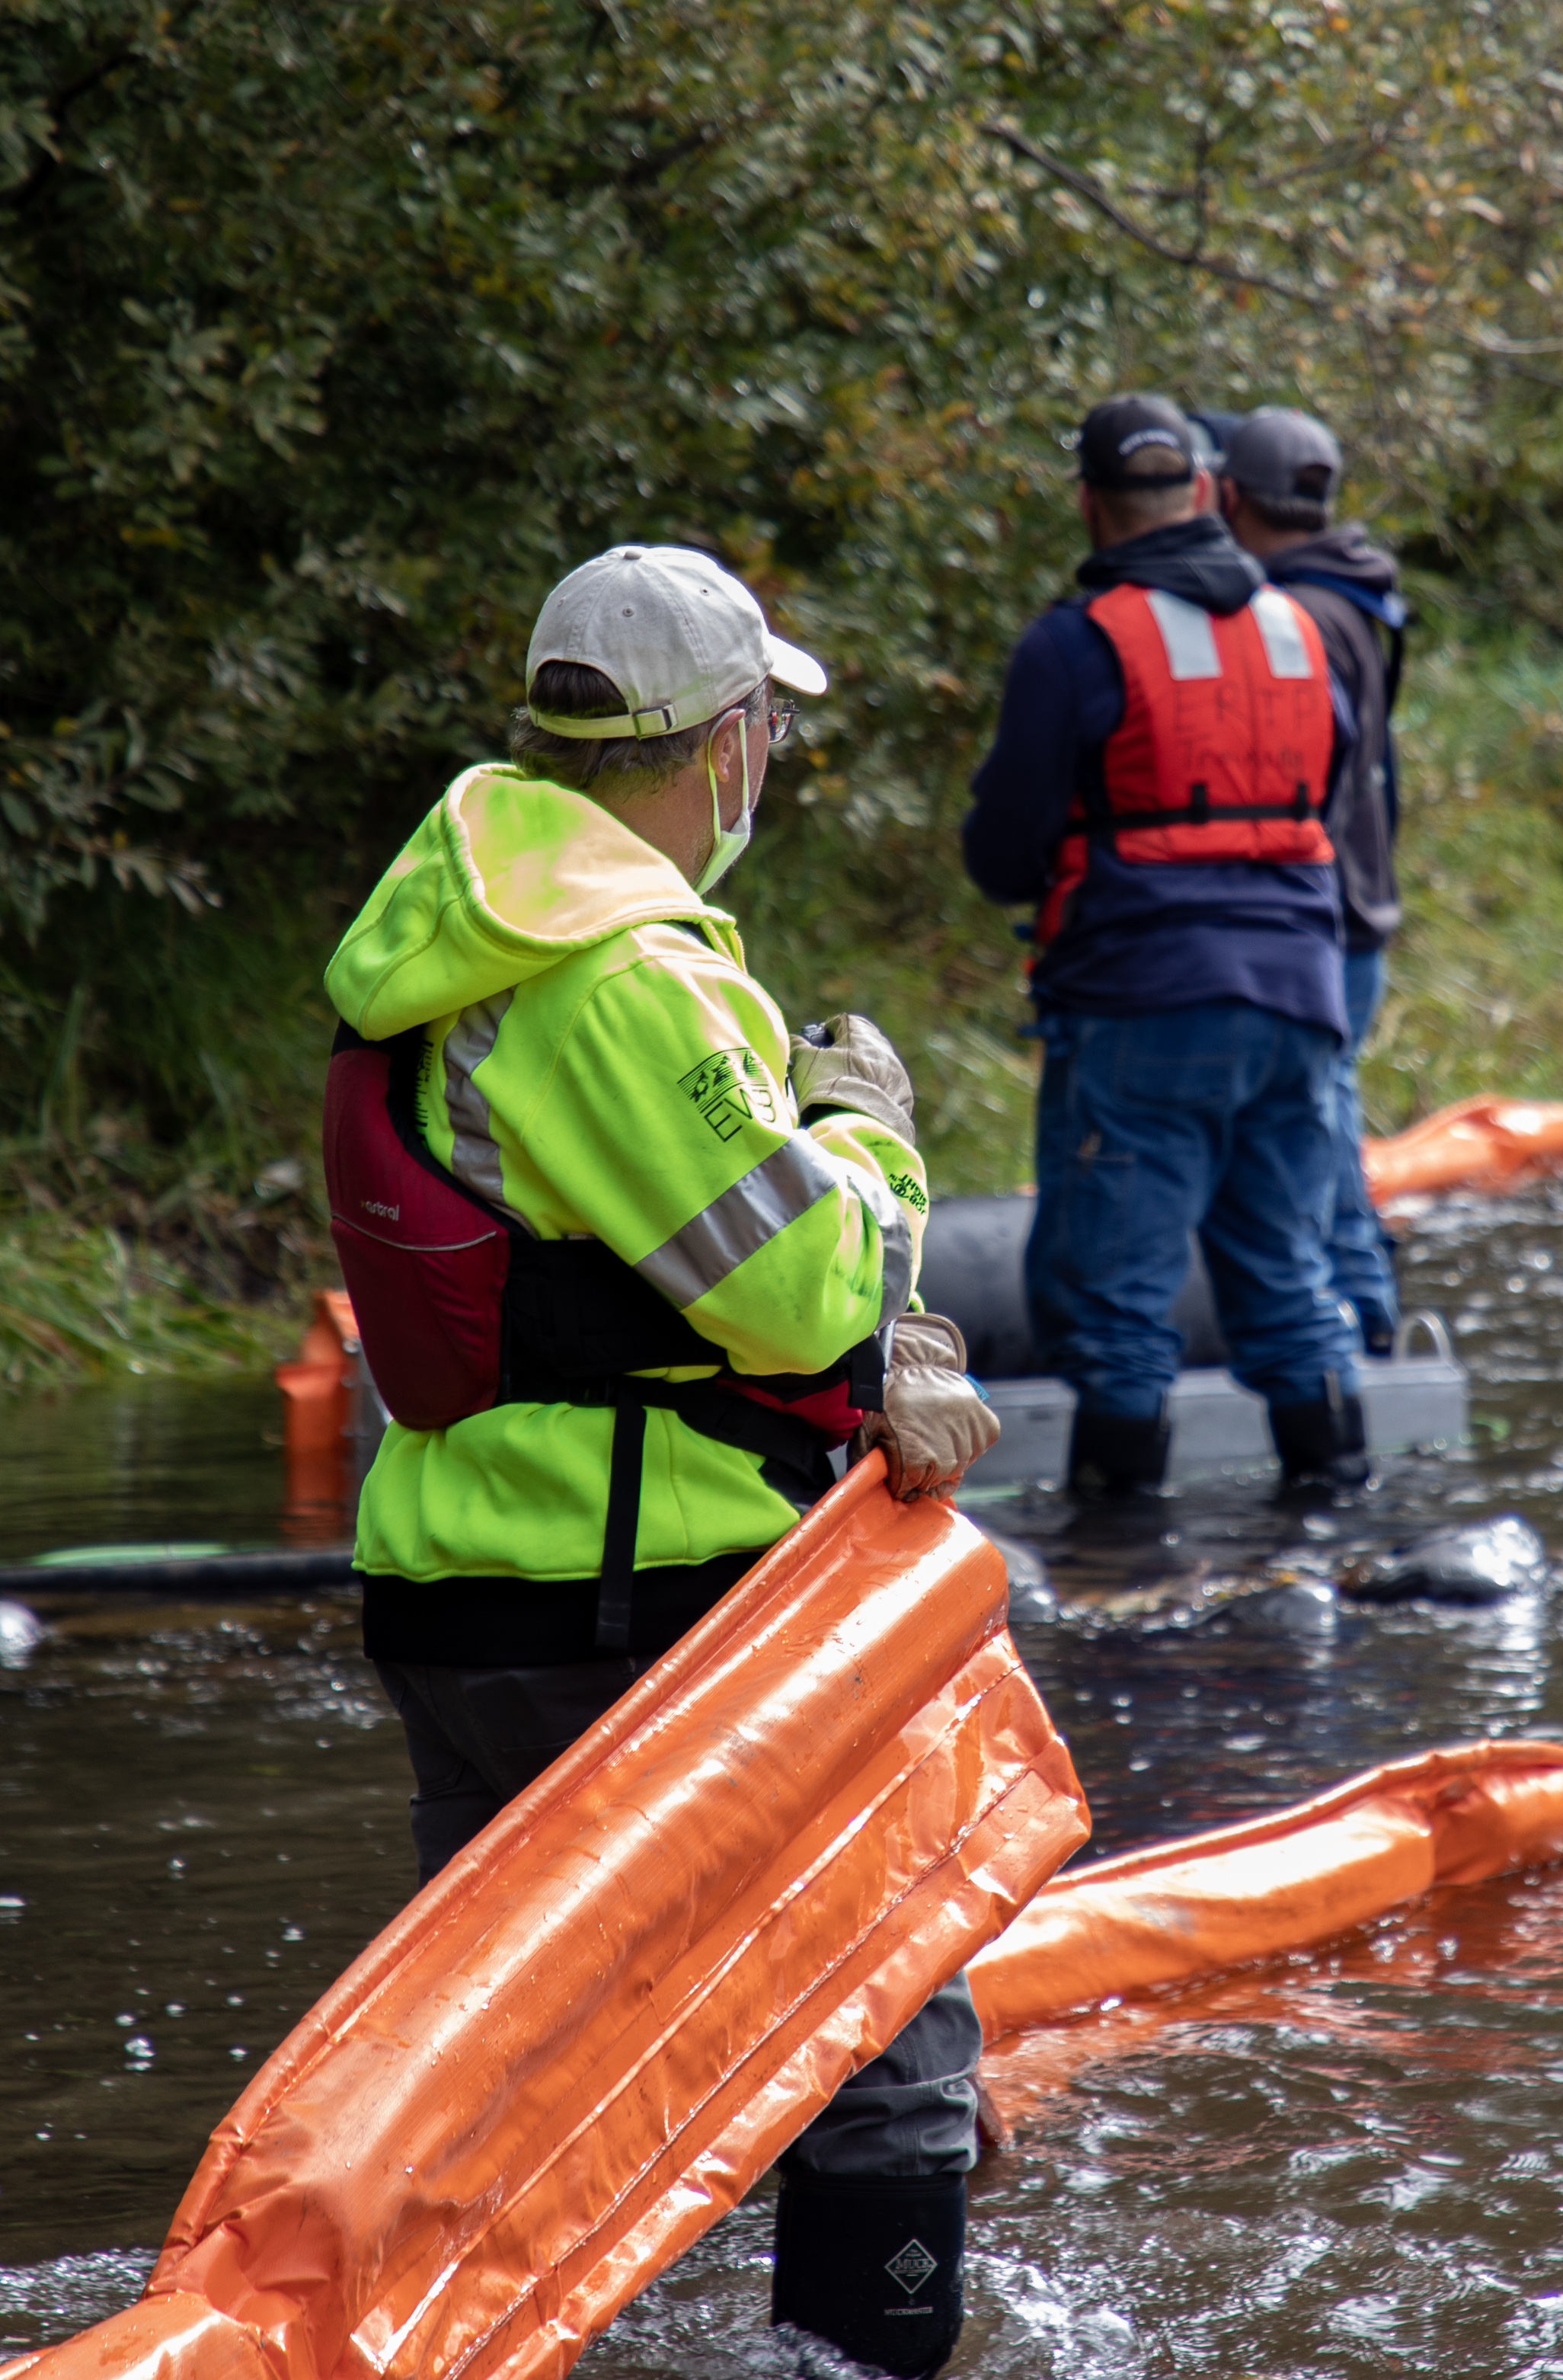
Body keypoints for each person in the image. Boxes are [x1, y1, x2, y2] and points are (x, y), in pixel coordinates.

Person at [322, 542, 1002, 2380]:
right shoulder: (622, 971)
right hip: (659, 1601)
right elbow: (802, 1294)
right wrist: (865, 1137)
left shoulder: (450, 928)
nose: (767, 763)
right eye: (765, 730)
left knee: (504, 2057)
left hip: (462, 1593)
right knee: (885, 2031)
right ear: (721, 744)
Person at [960, 395, 1370, 1499]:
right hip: (1300, 1000)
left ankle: (1115, 1587)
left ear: (1090, 504)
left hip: (1144, 1009)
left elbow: (1004, 854)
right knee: (1289, 1280)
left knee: (1117, 1308)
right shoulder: (1303, 629)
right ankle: (1342, 1540)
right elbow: (1325, 793)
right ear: (1201, 492)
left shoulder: (1076, 644)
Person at [1216, 405, 1411, 1355]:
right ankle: (1360, 1323)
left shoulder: (1293, 615)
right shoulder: (1358, 594)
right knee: (1327, 1115)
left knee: (1320, 1129)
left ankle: (1361, 1333)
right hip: (1358, 904)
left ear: (1230, 497)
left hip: (1321, 917)